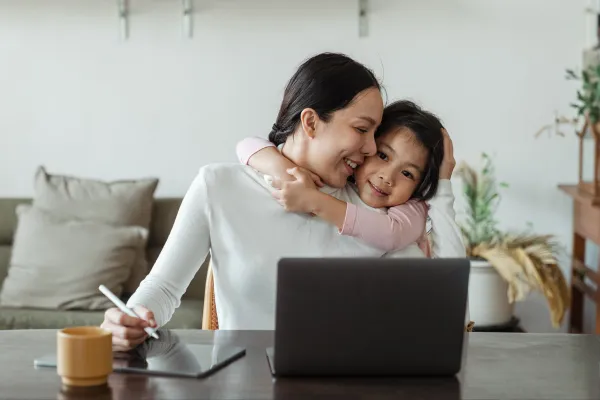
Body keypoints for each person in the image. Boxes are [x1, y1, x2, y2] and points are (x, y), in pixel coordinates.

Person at [100, 52, 465, 351]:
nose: (371, 149)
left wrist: (443, 185)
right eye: (361, 129)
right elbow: (163, 288)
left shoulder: (376, 211)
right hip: (241, 386)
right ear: (310, 122)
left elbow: (448, 303)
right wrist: (130, 317)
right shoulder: (219, 186)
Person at [236, 100, 449, 256]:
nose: (387, 177)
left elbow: (391, 233)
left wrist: (314, 201)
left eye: (407, 173)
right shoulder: (342, 179)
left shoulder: (413, 208)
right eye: (382, 155)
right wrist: (283, 170)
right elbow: (247, 144)